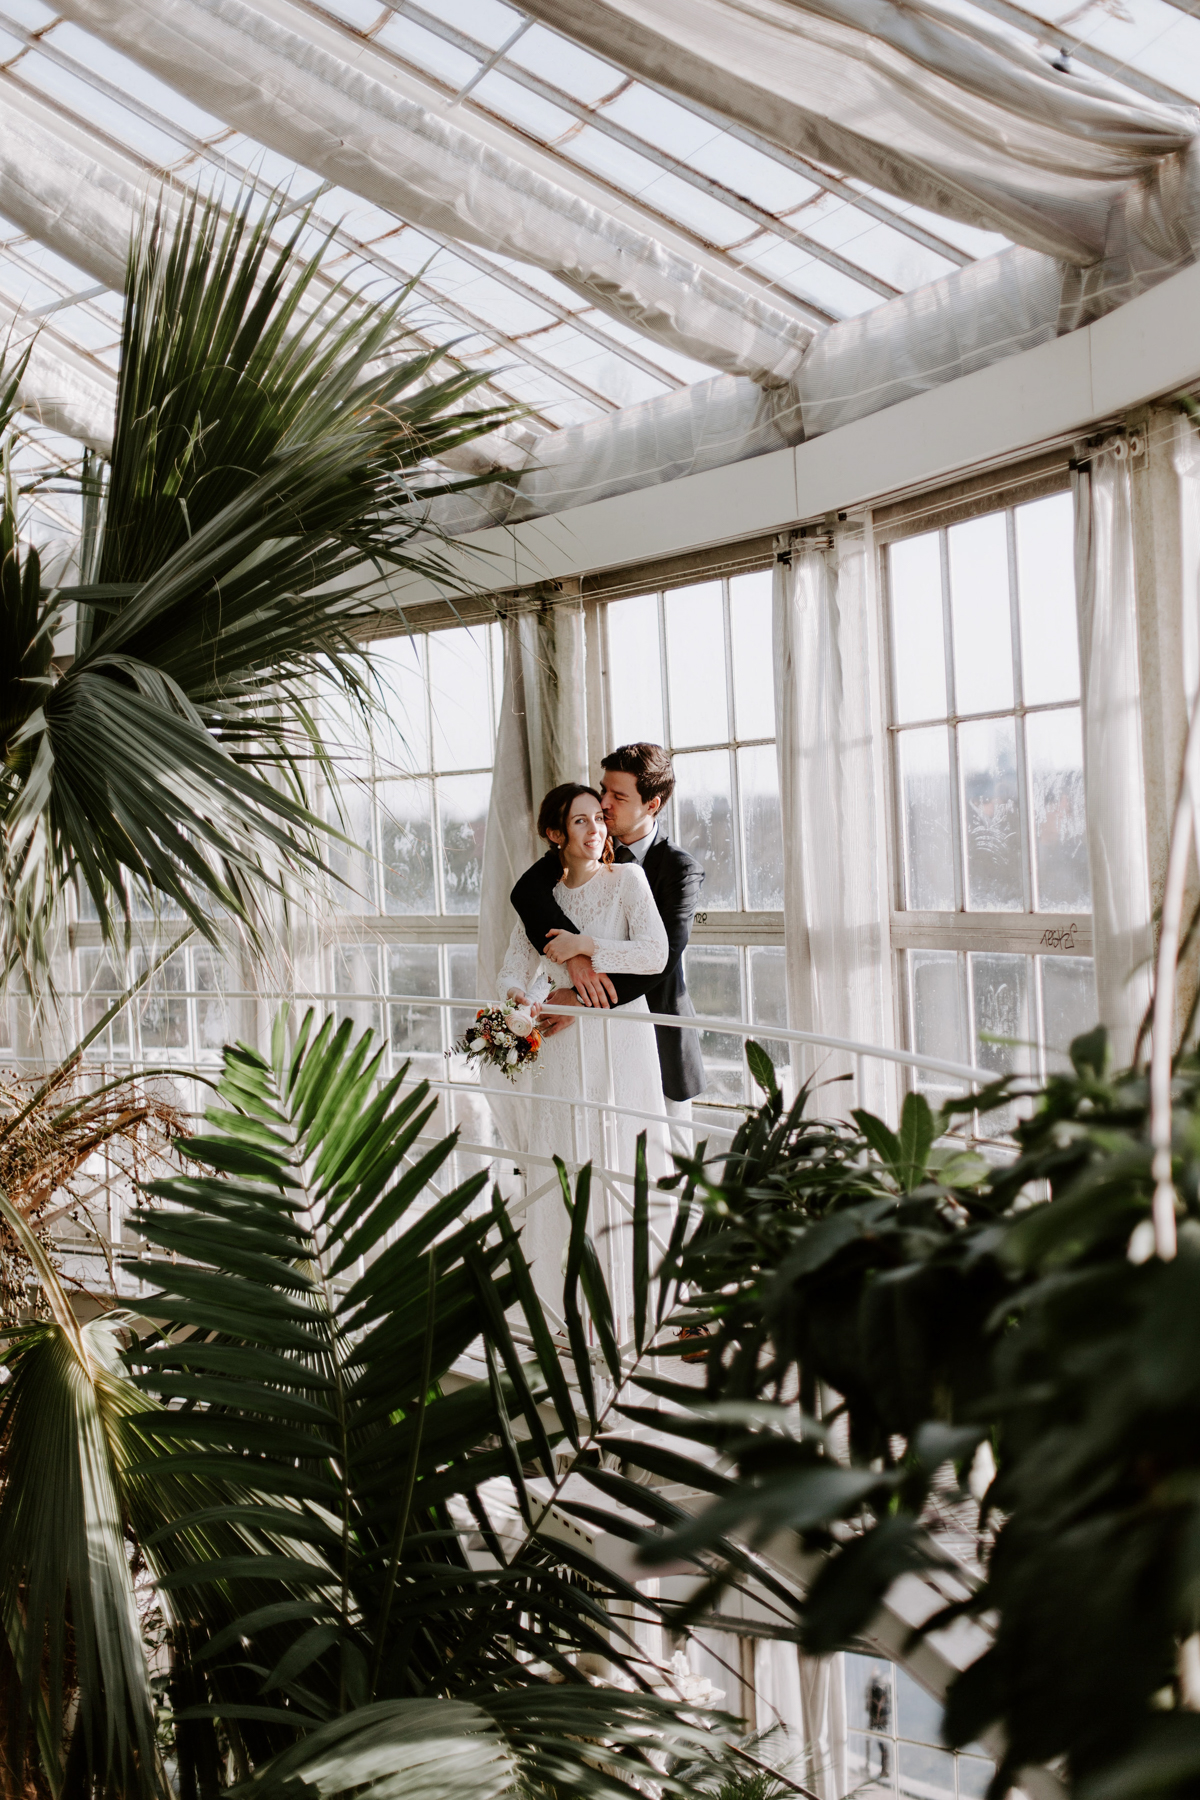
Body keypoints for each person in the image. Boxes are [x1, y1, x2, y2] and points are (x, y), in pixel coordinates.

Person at [494, 782, 670, 1301]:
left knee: (621, 1156)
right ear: (555, 834)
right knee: (566, 1161)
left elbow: (654, 954)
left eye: (599, 818)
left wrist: (585, 946)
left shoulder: (628, 881)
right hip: (563, 1048)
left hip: (620, 1042)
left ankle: (634, 1301)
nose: (596, 829)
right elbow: (513, 968)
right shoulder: (540, 901)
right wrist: (525, 1003)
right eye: (581, 822)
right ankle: (563, 1302)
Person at [510, 744, 705, 1155]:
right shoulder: (581, 847)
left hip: (656, 1032)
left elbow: (661, 959)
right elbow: (527, 894)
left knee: (666, 1161)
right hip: (588, 1044)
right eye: (604, 791)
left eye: (617, 797)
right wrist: (574, 963)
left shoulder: (678, 869)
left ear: (651, 804)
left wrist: (579, 996)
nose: (604, 804)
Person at [867, 1668, 891, 1779]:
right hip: (879, 1718)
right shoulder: (880, 1688)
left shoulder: (878, 1689)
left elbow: (874, 1705)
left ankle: (884, 1769)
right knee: (876, 1742)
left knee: (881, 1743)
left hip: (879, 1719)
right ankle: (882, 1768)